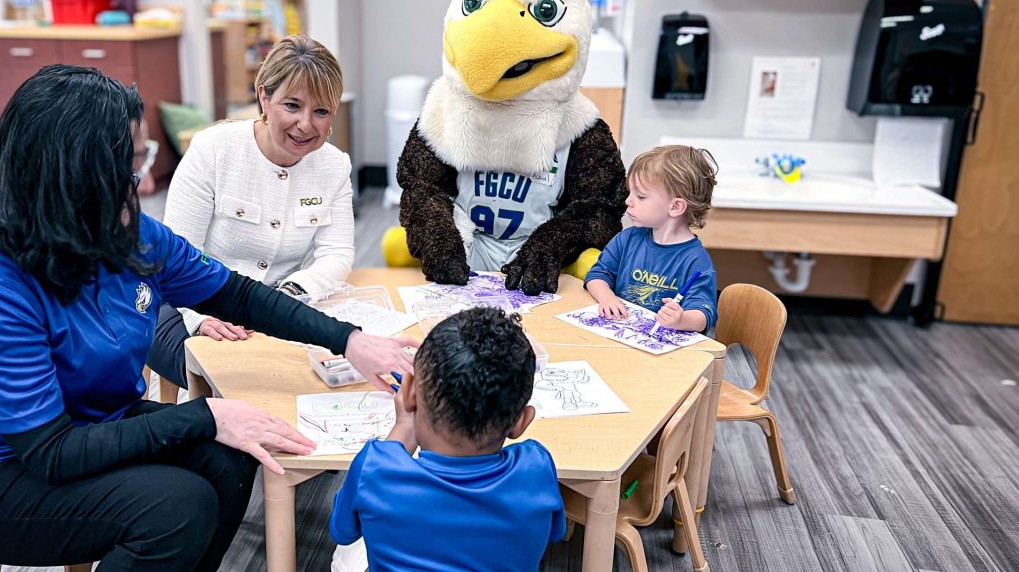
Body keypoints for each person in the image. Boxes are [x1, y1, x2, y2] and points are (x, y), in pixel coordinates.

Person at [0, 64, 416, 572]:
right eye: (130, 165)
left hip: (95, 424)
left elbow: (236, 295)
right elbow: (51, 452)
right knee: (176, 507)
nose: (143, 179)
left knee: (229, 459)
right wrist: (207, 414)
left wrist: (348, 340)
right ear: (74, 172)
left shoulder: (128, 232)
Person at [147, 34, 353, 389]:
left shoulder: (334, 165)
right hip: (186, 300)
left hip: (280, 304)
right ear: (263, 97)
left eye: (321, 111)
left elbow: (337, 253)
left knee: (308, 374)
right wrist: (199, 317)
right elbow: (176, 255)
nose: (306, 124)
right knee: (232, 375)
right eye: (292, 106)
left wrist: (287, 295)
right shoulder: (214, 150)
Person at [329, 307, 565, 571]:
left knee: (347, 552)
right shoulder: (537, 466)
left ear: (408, 393)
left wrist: (402, 427)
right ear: (521, 422)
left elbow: (342, 532)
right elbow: (553, 534)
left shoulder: (374, 468)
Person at [584, 145, 718, 332]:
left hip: (663, 349)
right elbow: (597, 275)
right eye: (630, 192)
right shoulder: (627, 239)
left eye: (640, 196)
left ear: (676, 207)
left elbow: (703, 314)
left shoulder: (696, 260)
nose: (628, 201)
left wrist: (681, 319)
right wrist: (607, 297)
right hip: (617, 334)